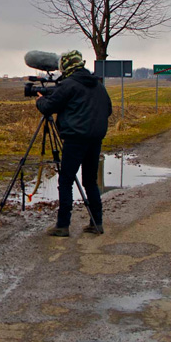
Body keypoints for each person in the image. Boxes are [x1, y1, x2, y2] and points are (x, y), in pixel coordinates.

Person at [35, 50, 112, 237]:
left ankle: (62, 226)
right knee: (90, 181)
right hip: (95, 139)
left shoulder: (69, 85)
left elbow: (48, 107)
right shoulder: (98, 85)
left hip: (75, 139)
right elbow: (108, 109)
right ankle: (97, 223)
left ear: (66, 67)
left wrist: (40, 100)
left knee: (66, 181)